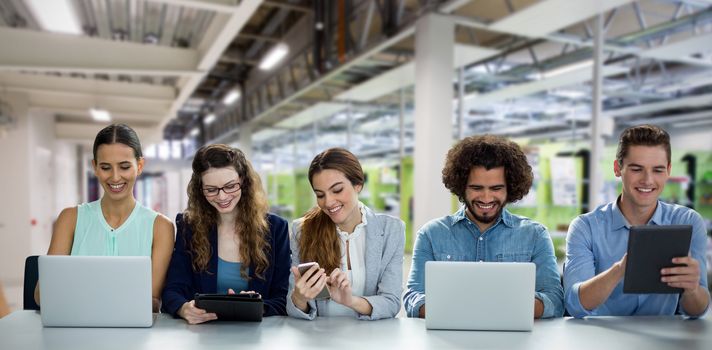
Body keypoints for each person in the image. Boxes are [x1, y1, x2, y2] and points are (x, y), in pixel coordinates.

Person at [404, 135, 564, 319]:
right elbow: (413, 299)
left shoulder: (535, 235)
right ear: (462, 186)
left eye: (496, 188)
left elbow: (555, 301)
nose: (486, 198)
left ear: (510, 188)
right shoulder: (431, 234)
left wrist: (481, 308)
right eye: (477, 188)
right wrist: (484, 308)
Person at [564, 124, 710, 318]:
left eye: (657, 170)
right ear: (618, 168)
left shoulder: (688, 222)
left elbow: (697, 311)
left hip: (664, 342)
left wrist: (692, 289)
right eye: (636, 169)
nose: (647, 180)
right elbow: (575, 305)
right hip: (603, 340)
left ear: (668, 170)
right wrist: (621, 269)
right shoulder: (585, 227)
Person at [36, 123, 175, 312]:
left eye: (124, 166)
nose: (115, 177)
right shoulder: (70, 219)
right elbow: (42, 295)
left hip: (134, 336)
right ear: (95, 167)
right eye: (105, 167)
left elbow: (151, 302)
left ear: (140, 165)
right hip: (75, 330)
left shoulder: (160, 227)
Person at [161, 144, 290, 324]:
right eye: (211, 189)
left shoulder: (276, 229)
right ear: (200, 190)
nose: (222, 197)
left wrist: (257, 306)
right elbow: (172, 290)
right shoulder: (188, 226)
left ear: (244, 181)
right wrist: (183, 308)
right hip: (203, 334)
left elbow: (284, 297)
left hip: (259, 336)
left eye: (230, 186)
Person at [287, 148, 405, 320]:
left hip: (373, 339)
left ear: (358, 184)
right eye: (320, 195)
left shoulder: (391, 230)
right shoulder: (303, 230)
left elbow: (391, 302)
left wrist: (350, 301)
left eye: (337, 190)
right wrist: (300, 297)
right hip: (320, 340)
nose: (328, 202)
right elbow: (293, 309)